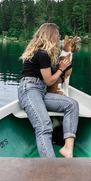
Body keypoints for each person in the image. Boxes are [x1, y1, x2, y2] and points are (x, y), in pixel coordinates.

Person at [18, 23, 79, 158]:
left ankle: (68, 149)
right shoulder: (42, 53)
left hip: (40, 92)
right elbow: (49, 81)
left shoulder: (45, 55)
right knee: (44, 126)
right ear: (51, 36)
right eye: (57, 36)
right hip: (29, 90)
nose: (59, 39)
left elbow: (47, 81)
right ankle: (51, 166)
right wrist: (61, 69)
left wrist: (60, 66)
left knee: (72, 105)